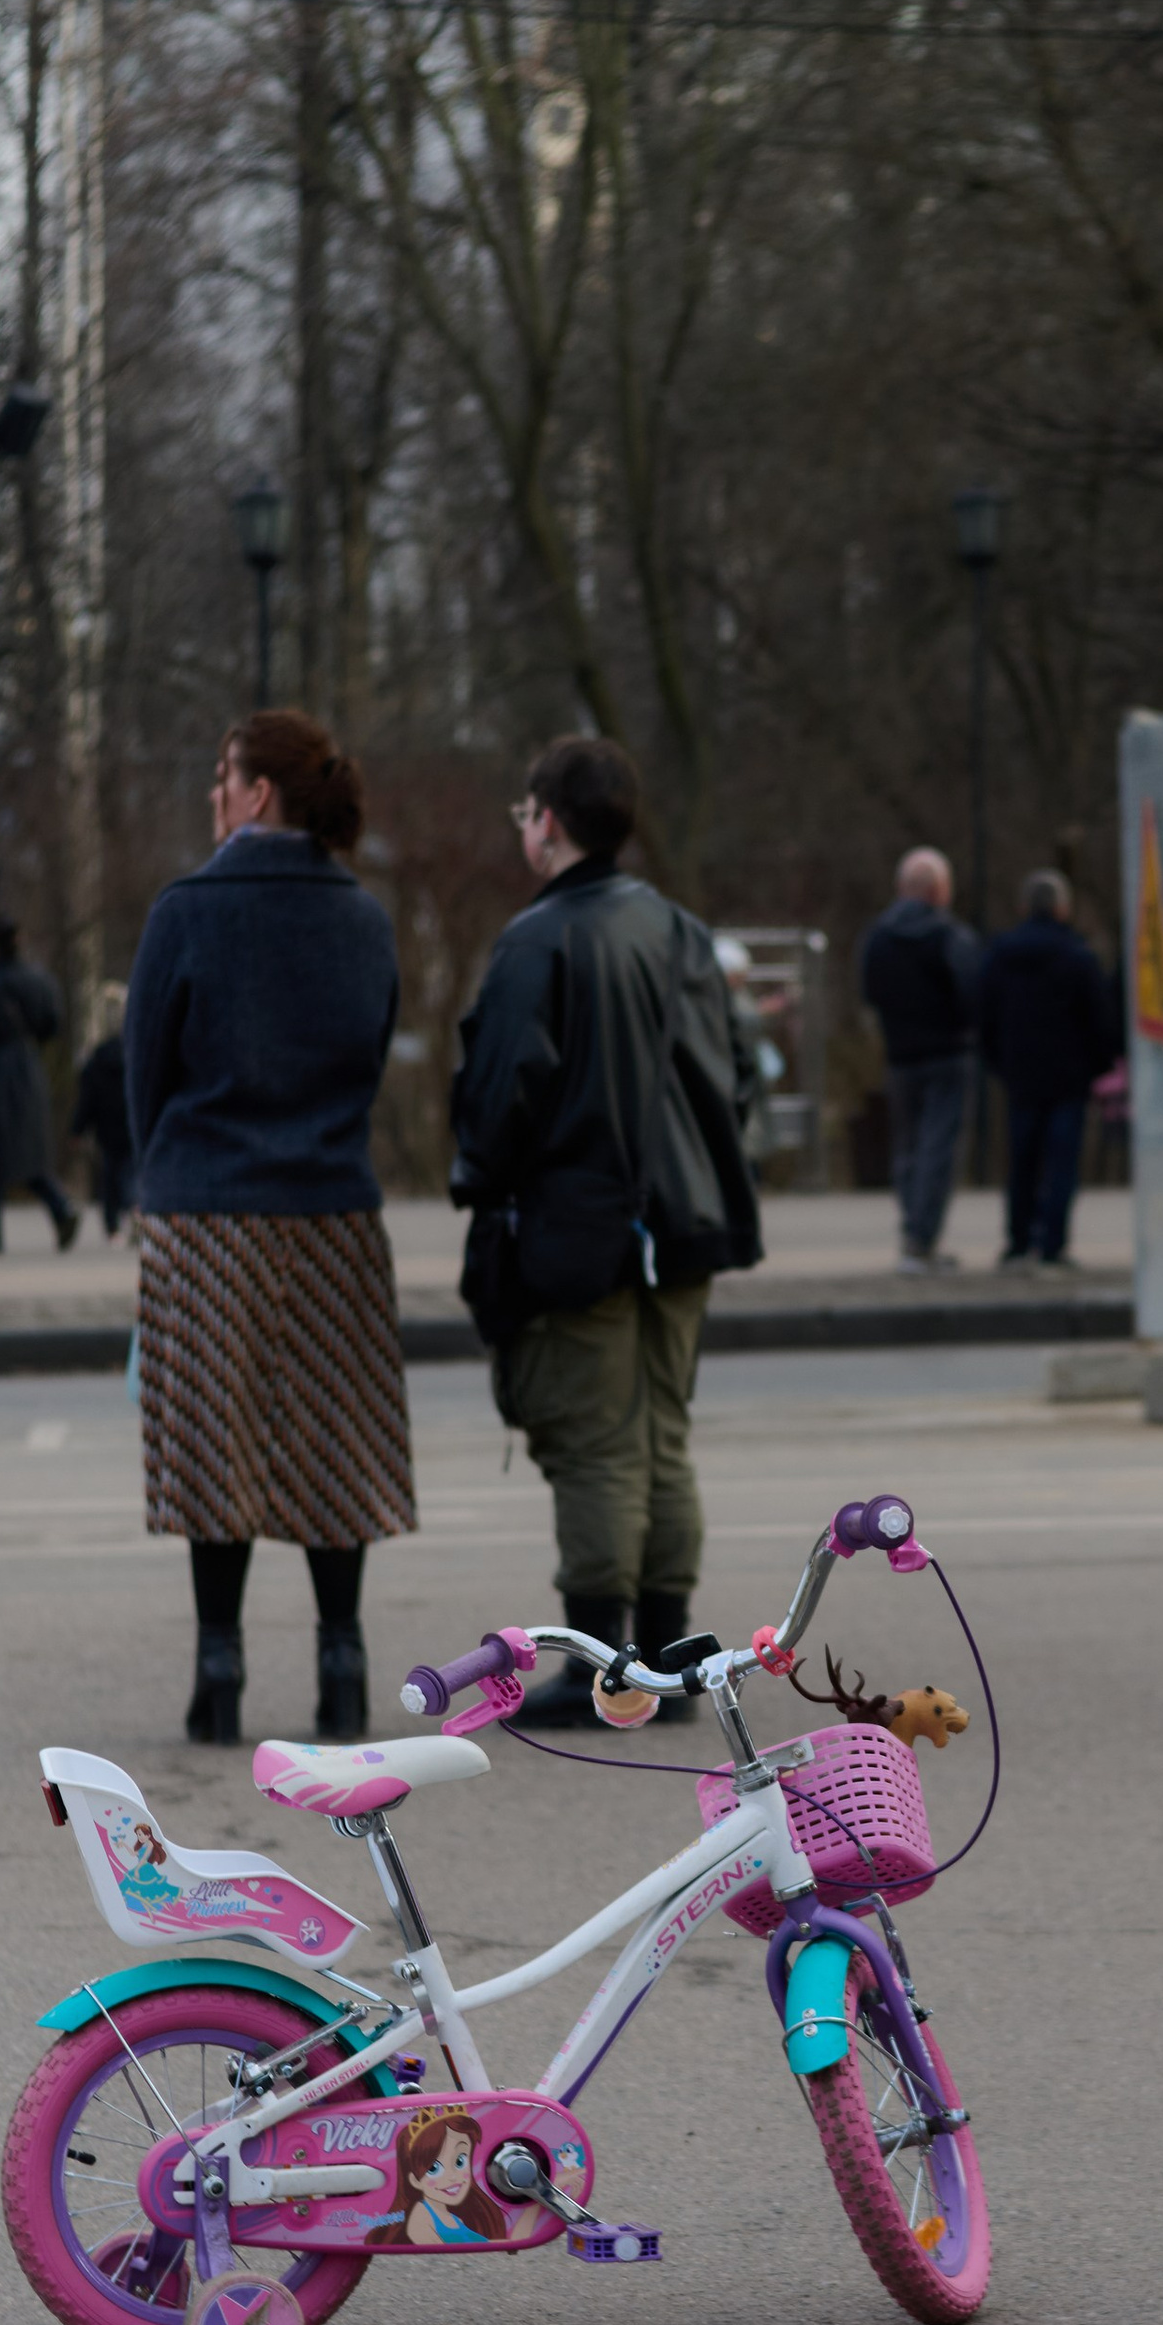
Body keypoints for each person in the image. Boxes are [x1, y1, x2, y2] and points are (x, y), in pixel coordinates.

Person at [450, 734, 762, 1733]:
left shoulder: (537, 941)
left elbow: (500, 1098)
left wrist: (482, 1181)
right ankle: (669, 1660)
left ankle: (606, 1671)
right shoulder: (679, 930)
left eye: (523, 810)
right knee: (662, 1437)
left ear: (547, 819)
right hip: (686, 1222)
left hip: (580, 1229)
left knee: (595, 1448)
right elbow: (735, 1073)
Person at [124, 707, 412, 1743]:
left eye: (221, 775)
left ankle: (220, 1661)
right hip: (332, 1207)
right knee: (335, 1437)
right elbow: (371, 1060)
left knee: (216, 1439)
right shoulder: (364, 919)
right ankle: (343, 1658)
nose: (211, 793)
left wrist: (154, 1176)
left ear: (255, 795)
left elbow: (144, 1071)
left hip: (206, 1211)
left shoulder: (186, 910)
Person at [974, 870, 1119, 1272]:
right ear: (1061, 908)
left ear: (1024, 908)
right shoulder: (1078, 956)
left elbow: (983, 1016)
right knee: (1062, 1163)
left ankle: (1018, 1241)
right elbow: (1100, 1020)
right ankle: (1053, 1244)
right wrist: (1098, 1066)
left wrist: (999, 1062)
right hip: (1069, 1077)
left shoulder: (1000, 956)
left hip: (1021, 1073)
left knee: (1022, 1160)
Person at [859, 847, 980, 1274]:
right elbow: (973, 993)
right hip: (947, 1053)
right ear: (939, 890)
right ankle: (922, 1237)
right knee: (938, 1148)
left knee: (908, 1147)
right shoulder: (949, 936)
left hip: (900, 1055)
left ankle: (914, 1229)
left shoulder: (878, 937)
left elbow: (869, 991)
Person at [0, 915, 77, 1253]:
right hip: (28, 1068)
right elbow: (53, 1026)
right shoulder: (40, 982)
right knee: (29, 1152)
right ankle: (60, 1207)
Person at [71, 986, 132, 1235]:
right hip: (131, 1122)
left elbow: (88, 1097)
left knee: (109, 1175)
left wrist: (78, 1127)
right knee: (132, 1172)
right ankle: (135, 1210)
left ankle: (112, 1225)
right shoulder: (134, 1053)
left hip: (106, 1126)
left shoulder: (96, 1059)